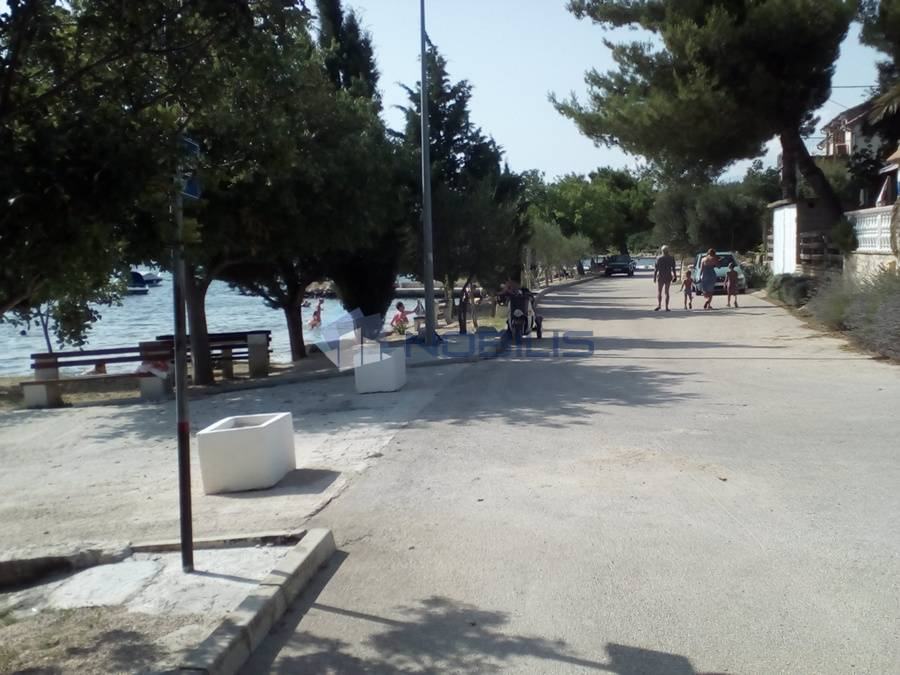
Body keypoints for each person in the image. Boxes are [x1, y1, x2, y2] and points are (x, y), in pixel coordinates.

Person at [653, 245, 678, 311]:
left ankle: (659, 305)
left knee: (659, 291)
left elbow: (656, 269)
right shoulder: (671, 258)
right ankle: (666, 307)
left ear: (662, 251)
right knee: (667, 292)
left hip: (661, 276)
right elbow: (673, 268)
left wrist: (654, 277)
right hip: (668, 276)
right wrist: (675, 276)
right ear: (668, 251)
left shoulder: (659, 258)